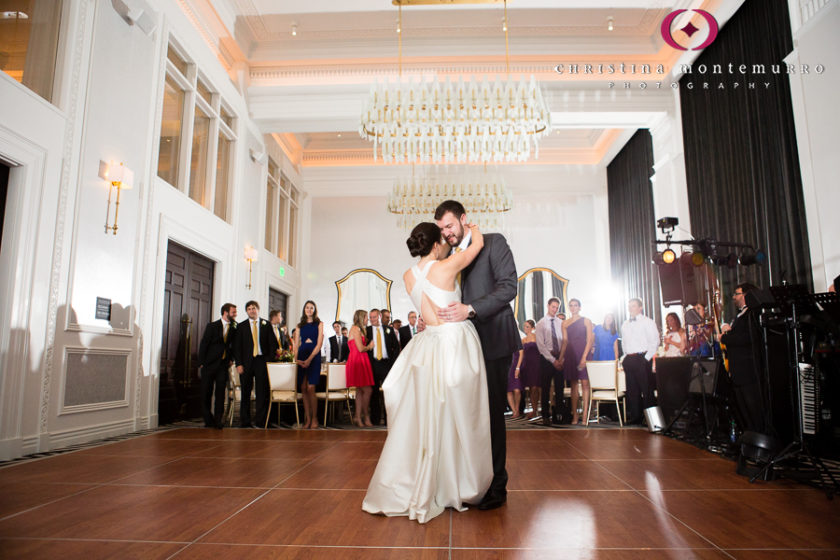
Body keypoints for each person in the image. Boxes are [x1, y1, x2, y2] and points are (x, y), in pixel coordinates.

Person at [363, 221, 491, 523]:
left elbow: (424, 306)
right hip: (452, 341)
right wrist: (471, 226)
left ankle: (429, 480)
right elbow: (477, 246)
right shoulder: (445, 266)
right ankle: (454, 481)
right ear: (435, 244)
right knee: (458, 411)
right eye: (443, 239)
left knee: (429, 414)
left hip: (428, 344)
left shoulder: (408, 276)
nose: (447, 242)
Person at [434, 200, 520, 510]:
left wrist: (471, 309)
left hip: (495, 340)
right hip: (465, 346)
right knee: (471, 417)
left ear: (463, 219)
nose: (446, 233)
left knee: (492, 416)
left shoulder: (494, 242)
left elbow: (510, 286)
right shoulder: (453, 255)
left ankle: (497, 487)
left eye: (450, 226)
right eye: (442, 229)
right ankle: (474, 482)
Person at [720, 283, 765, 433]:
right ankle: (749, 435)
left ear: (746, 295)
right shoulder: (740, 315)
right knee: (743, 408)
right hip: (738, 370)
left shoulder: (752, 314)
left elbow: (746, 338)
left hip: (748, 371)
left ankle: (758, 436)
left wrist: (725, 337)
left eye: (737, 294)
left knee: (752, 407)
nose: (734, 297)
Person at [234, 300, 278, 428]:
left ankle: (261, 420)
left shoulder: (266, 324)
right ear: (246, 311)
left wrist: (267, 360)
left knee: (261, 392)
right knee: (246, 392)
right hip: (246, 363)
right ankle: (245, 421)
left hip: (261, 361)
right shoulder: (241, 326)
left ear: (258, 309)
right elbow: (237, 347)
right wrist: (239, 364)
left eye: (253, 308)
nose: (251, 310)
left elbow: (273, 344)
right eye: (249, 309)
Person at [619, 298, 660, 425]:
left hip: (642, 357)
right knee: (632, 391)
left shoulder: (648, 322)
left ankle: (652, 421)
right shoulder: (625, 324)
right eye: (629, 306)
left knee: (646, 390)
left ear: (640, 308)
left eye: (634, 306)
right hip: (629, 359)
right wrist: (624, 358)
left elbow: (655, 342)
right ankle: (636, 417)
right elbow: (624, 343)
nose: (631, 308)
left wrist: (645, 359)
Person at [197, 302, 237, 429]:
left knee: (220, 394)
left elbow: (235, 346)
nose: (235, 314)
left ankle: (218, 420)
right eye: (233, 312)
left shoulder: (235, 328)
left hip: (223, 366)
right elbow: (204, 344)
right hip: (209, 364)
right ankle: (208, 420)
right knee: (206, 393)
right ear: (226, 313)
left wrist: (231, 359)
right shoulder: (212, 326)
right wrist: (201, 363)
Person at [560, 298, 594, 425]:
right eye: (571, 305)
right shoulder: (565, 323)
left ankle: (585, 415)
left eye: (575, 305)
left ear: (580, 307)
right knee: (573, 385)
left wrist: (584, 357)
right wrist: (561, 358)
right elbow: (564, 341)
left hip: (583, 352)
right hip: (570, 355)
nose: (573, 307)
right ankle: (575, 415)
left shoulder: (586, 321)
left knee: (585, 384)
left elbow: (590, 340)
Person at [366, 308, 400, 426]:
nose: (372, 320)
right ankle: (375, 420)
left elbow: (396, 347)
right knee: (374, 393)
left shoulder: (388, 330)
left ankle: (388, 420)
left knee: (388, 392)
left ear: (379, 316)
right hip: (373, 364)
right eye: (370, 318)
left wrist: (393, 363)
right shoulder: (367, 331)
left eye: (374, 317)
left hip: (386, 365)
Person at [294, 300, 324, 429]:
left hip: (314, 357)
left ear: (314, 310)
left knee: (311, 388)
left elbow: (319, 344)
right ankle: (307, 419)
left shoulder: (319, 324)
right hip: (301, 357)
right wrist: (296, 359)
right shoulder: (299, 326)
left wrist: (310, 359)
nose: (309, 310)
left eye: (311, 308)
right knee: (303, 388)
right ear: (304, 309)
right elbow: (296, 344)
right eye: (307, 307)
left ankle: (315, 418)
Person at [535, 297, 564, 425]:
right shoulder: (541, 323)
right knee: (545, 388)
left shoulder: (560, 322)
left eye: (557, 307)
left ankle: (559, 415)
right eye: (553, 307)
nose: (555, 309)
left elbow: (564, 342)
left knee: (559, 388)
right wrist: (553, 360)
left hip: (560, 357)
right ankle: (545, 415)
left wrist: (561, 358)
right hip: (547, 359)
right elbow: (541, 346)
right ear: (548, 306)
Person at [346, 309, 375, 427]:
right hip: (358, 360)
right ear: (361, 317)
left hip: (360, 360)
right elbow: (360, 348)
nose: (367, 319)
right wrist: (370, 346)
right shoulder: (355, 329)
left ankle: (358, 417)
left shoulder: (358, 329)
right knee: (368, 390)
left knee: (359, 391)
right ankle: (365, 415)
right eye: (366, 317)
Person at [508, 320, 538, 420]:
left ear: (533, 328)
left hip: (535, 365)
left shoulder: (536, 337)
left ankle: (535, 410)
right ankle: (521, 410)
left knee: (534, 388)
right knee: (526, 389)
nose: (526, 329)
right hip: (525, 365)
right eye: (525, 327)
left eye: (528, 327)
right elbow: (519, 353)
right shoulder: (523, 340)